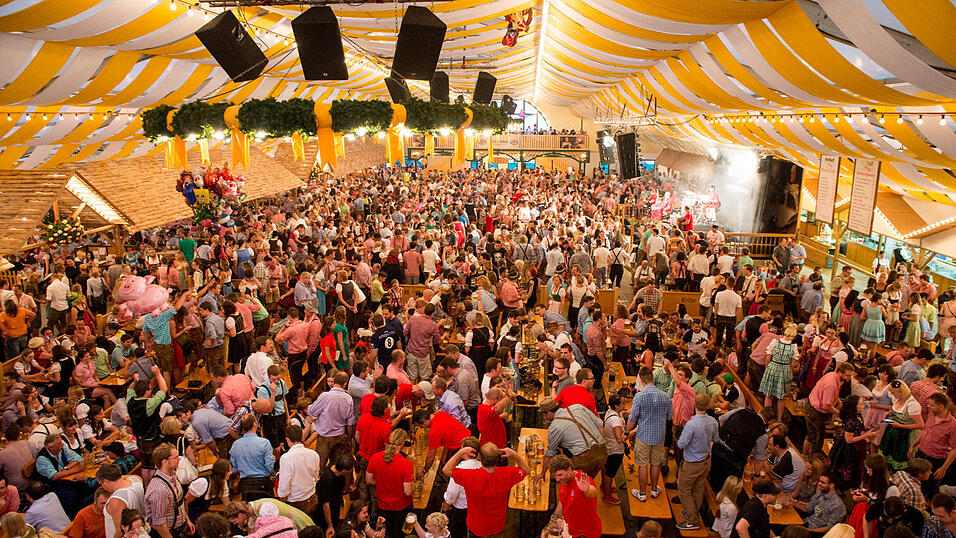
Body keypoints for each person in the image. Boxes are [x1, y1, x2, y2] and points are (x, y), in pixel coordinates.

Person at [441, 442, 529, 538]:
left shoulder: (471, 476)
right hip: (497, 524)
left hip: (476, 525)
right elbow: (526, 470)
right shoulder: (507, 474)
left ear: (480, 458)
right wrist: (514, 453)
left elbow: (446, 470)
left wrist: (460, 452)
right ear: (498, 459)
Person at [626, 366, 673, 502]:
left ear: (641, 379)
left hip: (643, 435)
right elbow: (670, 417)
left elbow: (632, 418)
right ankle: (653, 490)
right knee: (655, 463)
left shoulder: (639, 397)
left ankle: (642, 493)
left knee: (642, 464)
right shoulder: (666, 397)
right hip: (659, 436)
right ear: (652, 378)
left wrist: (627, 432)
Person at [676, 393, 720, 531]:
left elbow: (681, 444)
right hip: (706, 461)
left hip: (692, 463)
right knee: (698, 488)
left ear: (695, 404)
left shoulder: (691, 424)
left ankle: (692, 520)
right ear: (707, 405)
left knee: (684, 490)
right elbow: (715, 439)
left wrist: (685, 430)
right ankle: (693, 512)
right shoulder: (713, 421)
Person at [539, 398, 607, 479]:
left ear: (549, 412)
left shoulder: (554, 427)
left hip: (584, 459)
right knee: (588, 481)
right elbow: (600, 424)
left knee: (577, 484)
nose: (544, 417)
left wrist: (542, 473)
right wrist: (602, 444)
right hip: (602, 453)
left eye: (544, 414)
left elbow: (549, 453)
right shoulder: (578, 407)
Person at [365, 429, 413, 538]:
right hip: (401, 507)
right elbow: (408, 491)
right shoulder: (406, 464)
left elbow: (369, 480)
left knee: (383, 534)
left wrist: (383, 480)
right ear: (403, 443)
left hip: (382, 505)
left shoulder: (375, 457)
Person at [144, 443, 194, 538]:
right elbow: (159, 524)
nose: (179, 458)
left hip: (180, 529)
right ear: (164, 462)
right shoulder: (159, 490)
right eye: (175, 457)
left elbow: (178, 503)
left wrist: (187, 520)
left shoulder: (173, 475)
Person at [550, 454, 601, 538]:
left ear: (569, 470)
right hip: (569, 532)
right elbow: (563, 501)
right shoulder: (564, 481)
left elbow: (593, 493)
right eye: (555, 476)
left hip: (585, 534)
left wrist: (587, 489)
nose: (557, 479)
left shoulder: (582, 480)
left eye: (560, 475)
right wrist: (554, 520)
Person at [307, 371, 353, 463]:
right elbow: (350, 423)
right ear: (345, 384)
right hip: (339, 437)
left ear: (334, 381)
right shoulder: (348, 398)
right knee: (336, 466)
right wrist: (348, 439)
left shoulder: (324, 396)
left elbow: (311, 412)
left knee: (321, 466)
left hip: (324, 438)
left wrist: (310, 407)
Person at [276, 425, 321, 517]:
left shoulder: (286, 458)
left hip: (295, 503)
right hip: (312, 498)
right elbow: (316, 477)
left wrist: (282, 505)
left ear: (287, 440)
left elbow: (284, 488)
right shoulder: (314, 454)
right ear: (301, 437)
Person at [230, 414, 274, 502]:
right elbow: (270, 468)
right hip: (263, 484)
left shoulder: (236, 445)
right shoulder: (264, 443)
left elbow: (234, 469)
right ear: (255, 424)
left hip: (245, 485)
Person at [95, 464, 146, 538]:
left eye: (101, 484)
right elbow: (127, 477)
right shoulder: (136, 480)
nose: (102, 487)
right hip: (141, 529)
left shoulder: (116, 500)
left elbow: (120, 531)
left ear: (106, 481)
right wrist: (112, 473)